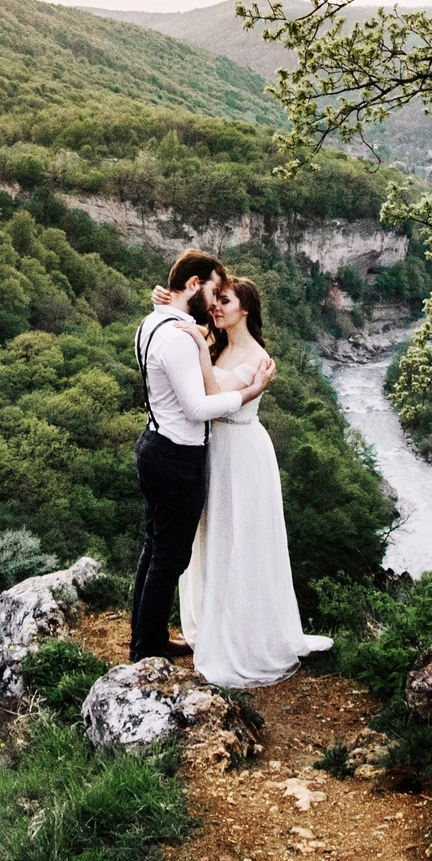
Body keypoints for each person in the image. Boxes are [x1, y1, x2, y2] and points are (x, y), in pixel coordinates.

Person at [175, 275, 333, 686]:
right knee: (212, 537)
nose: (216, 308)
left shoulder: (256, 357)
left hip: (242, 454)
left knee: (239, 539)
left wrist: (195, 343)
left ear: (244, 308)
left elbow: (210, 396)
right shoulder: (219, 344)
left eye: (224, 301)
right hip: (216, 450)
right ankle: (209, 624)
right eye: (215, 301)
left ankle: (242, 638)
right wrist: (173, 304)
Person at [129, 250, 273, 661]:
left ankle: (147, 638)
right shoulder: (177, 336)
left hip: (156, 444)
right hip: (176, 456)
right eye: (211, 292)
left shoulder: (153, 324)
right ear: (193, 285)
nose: (213, 304)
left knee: (154, 549)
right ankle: (146, 649)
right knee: (168, 560)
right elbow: (197, 407)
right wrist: (249, 393)